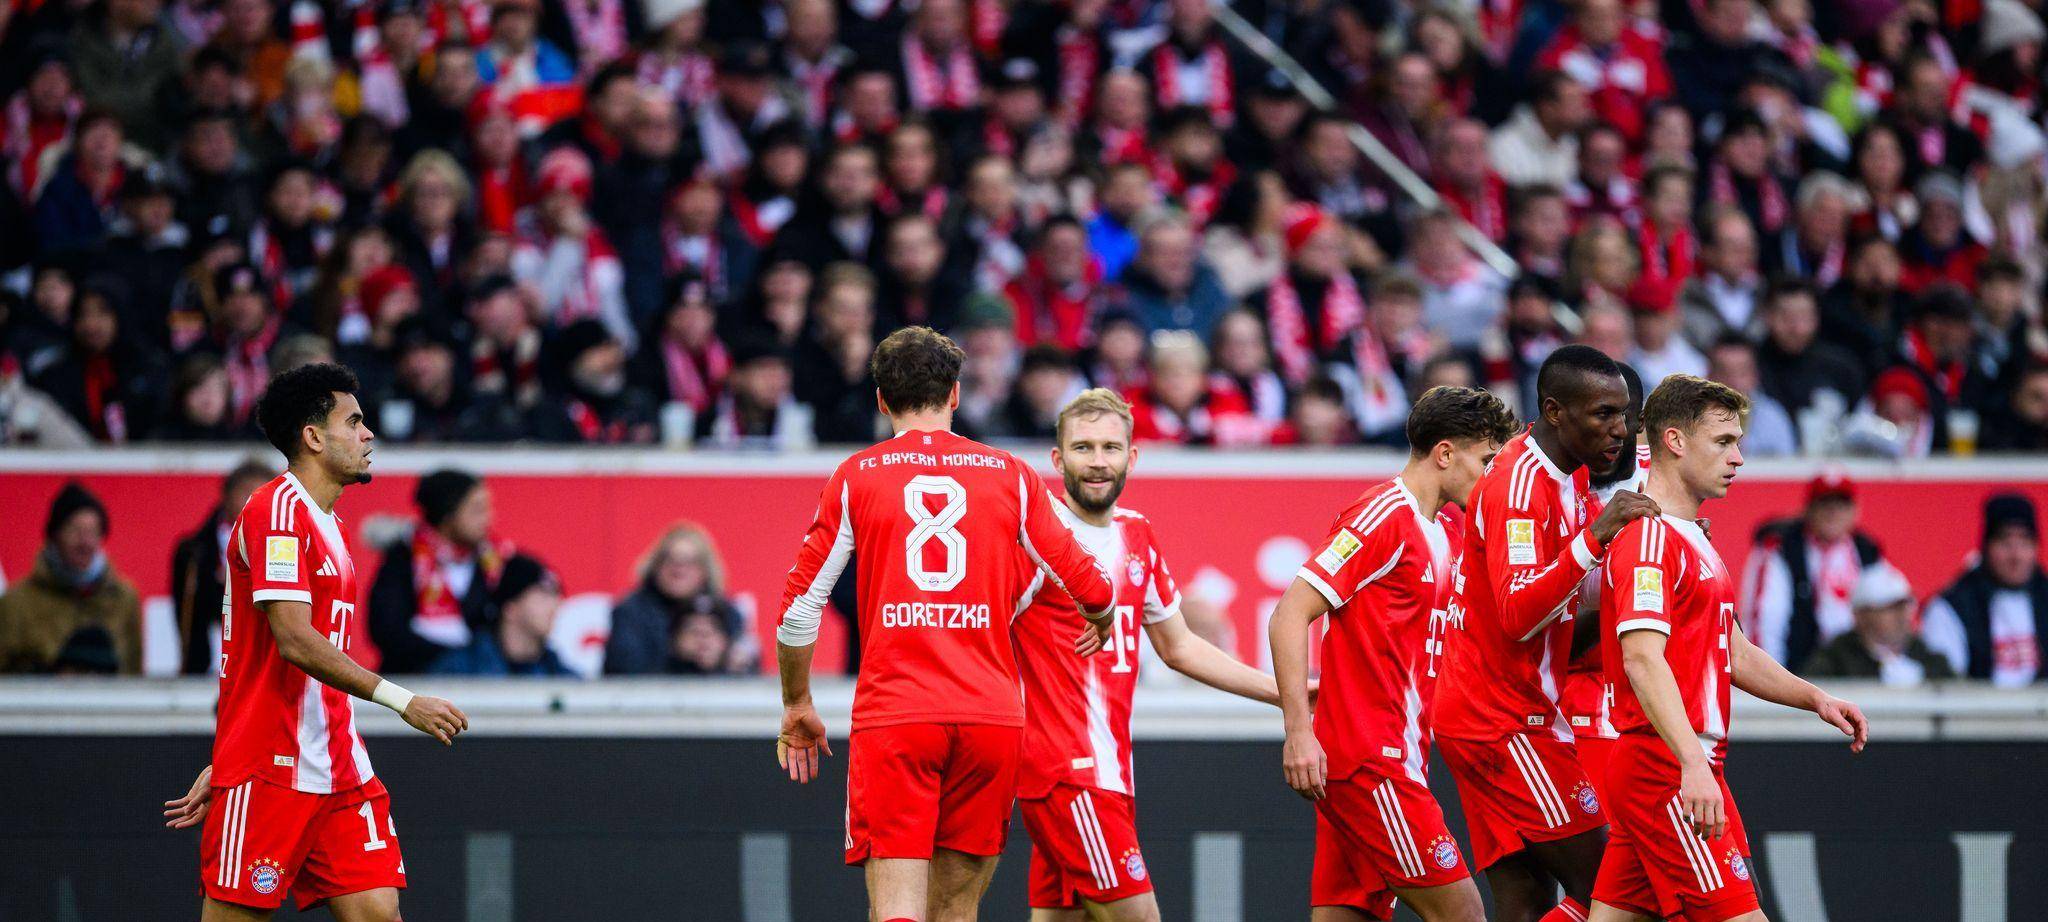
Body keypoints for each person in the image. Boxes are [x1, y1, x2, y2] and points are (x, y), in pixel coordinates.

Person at [773, 326, 1115, 922]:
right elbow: (1090, 582)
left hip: (898, 714)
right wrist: (1101, 615)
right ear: (955, 395)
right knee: (954, 909)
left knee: (899, 910)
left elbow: (800, 609)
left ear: (881, 400)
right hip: (990, 717)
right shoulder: (1010, 474)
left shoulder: (857, 475)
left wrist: (796, 701)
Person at [160, 362, 467, 922]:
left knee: (379, 915)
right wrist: (404, 701)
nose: (368, 434)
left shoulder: (328, 523)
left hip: (340, 767)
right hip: (272, 770)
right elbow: (294, 642)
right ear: (313, 436)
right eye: (354, 421)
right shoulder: (275, 511)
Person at [1588, 374, 1866, 922]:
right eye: (1724, 442)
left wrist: (1815, 699)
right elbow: (1642, 659)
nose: (1738, 457)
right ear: (1673, 441)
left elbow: (1731, 650)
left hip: (1679, 763)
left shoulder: (1694, 537)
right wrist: (1691, 763)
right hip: (1666, 763)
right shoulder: (1650, 538)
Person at [1015, 389, 1284, 921]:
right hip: (1067, 773)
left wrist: (1282, 693)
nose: (1097, 462)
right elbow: (980, 630)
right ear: (1057, 459)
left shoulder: (1137, 534)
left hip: (1108, 773)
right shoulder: (1034, 541)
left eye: (1110, 448)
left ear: (1131, 457)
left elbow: (1179, 646)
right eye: (1083, 447)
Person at [1272, 386, 1522, 922]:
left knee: (1348, 915)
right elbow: (1289, 614)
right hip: (1370, 764)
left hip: (1395, 757)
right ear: (1446, 453)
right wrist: (1298, 731)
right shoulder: (1382, 515)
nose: (1492, 476)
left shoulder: (1446, 529)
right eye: (1486, 460)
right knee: (1463, 914)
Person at [1434, 345, 1657, 922]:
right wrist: (1597, 537)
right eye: (1604, 413)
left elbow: (1563, 607)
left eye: (1625, 414)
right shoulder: (1519, 485)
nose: (1621, 429)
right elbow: (1518, 612)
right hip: (1504, 721)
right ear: (1555, 412)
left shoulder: (1564, 479)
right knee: (1620, 895)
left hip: (1491, 711)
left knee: (1526, 900)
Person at [1565, 362, 1649, 796]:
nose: (1609, 431)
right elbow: (1528, 627)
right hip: (1571, 699)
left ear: (1639, 424)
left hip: (1651, 700)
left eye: (1619, 416)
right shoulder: (1547, 486)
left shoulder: (1665, 480)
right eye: (1597, 416)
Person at [1740, 469, 1887, 670]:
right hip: (1803, 672)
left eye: (1841, 504)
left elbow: (1892, 616)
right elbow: (1765, 622)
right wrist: (1772, 683)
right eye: (1824, 503)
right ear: (1808, 509)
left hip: (1859, 671)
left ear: (1855, 510)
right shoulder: (1782, 550)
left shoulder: (1867, 551)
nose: (1832, 512)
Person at [368, 469, 509, 674]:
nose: (488, 518)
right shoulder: (403, 559)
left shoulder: (495, 561)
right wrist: (451, 655)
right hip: (413, 680)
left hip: (481, 682)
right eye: (477, 510)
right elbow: (386, 630)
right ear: (449, 515)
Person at [0, 482, 144, 674]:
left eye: (93, 532)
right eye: (75, 530)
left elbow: (134, 675)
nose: (85, 542)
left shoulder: (124, 599)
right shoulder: (16, 603)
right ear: (54, 535)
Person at [1921, 494, 2048, 686]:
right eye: (2005, 543)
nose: (2016, 556)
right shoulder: (1951, 608)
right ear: (1986, 547)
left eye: (2024, 543)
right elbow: (1945, 686)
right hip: (1979, 714)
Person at [171, 458, 275, 675]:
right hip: (207, 671)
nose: (254, 501)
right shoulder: (193, 553)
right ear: (226, 496)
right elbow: (187, 621)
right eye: (247, 492)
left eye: (264, 495)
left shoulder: (286, 550)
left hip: (264, 671)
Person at [605, 522, 751, 675]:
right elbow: (622, 671)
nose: (679, 569)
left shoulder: (726, 614)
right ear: (656, 566)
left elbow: (751, 671)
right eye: (670, 559)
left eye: (689, 562)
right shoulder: (631, 613)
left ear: (705, 570)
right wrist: (679, 657)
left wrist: (723, 661)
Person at [1802, 563, 1955, 685]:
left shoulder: (1928, 657)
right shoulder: (1834, 661)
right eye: (1889, 608)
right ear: (1861, 616)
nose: (1901, 615)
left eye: (1905, 605)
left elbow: (1961, 695)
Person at [430, 554, 573, 677]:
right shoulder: (456, 672)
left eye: (555, 596)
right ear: (510, 607)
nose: (555, 606)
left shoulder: (563, 678)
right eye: (543, 596)